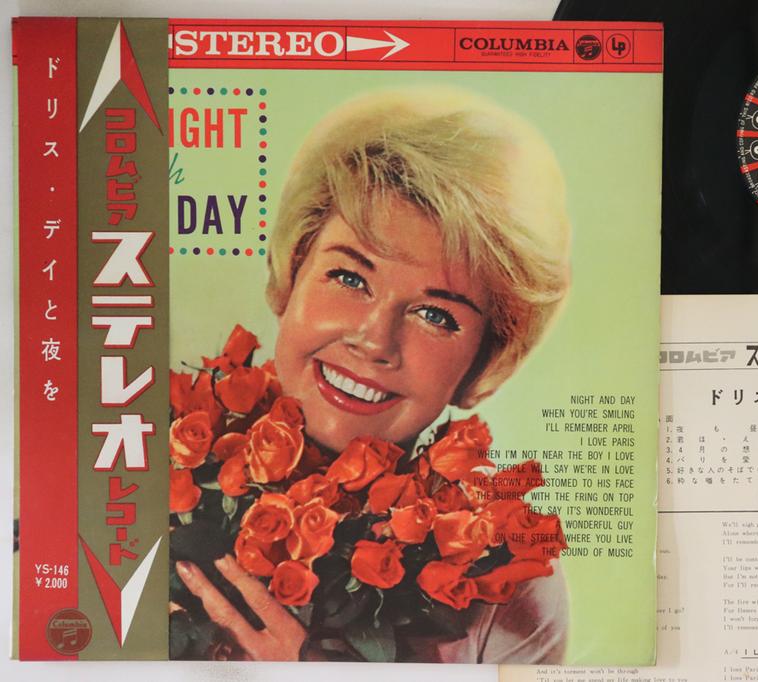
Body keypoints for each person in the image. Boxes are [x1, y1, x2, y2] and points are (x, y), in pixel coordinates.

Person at [174, 86, 573, 662]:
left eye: (436, 315)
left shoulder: (509, 590)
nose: (374, 340)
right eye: (349, 278)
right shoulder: (137, 459)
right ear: (293, 272)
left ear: (483, 360)